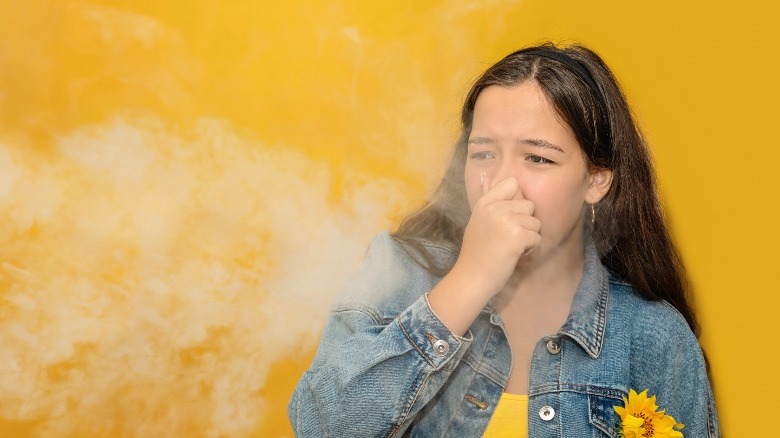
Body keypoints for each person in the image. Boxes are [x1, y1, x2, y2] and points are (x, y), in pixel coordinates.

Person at [288, 43, 720, 437]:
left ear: (596, 180)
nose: (501, 184)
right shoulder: (395, 274)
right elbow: (321, 427)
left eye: (538, 158)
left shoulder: (654, 336)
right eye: (484, 154)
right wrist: (470, 279)